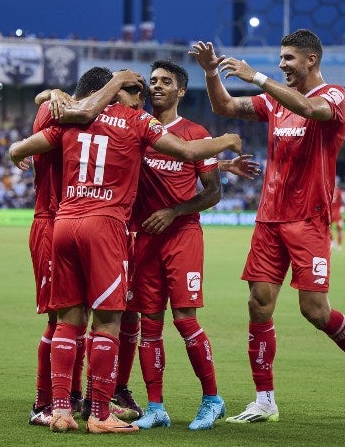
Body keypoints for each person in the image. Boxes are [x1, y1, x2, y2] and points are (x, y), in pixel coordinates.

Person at [9, 80, 242, 434]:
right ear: (118, 91)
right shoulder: (136, 122)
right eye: (138, 92)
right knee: (107, 323)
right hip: (105, 227)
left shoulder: (73, 118)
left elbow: (20, 148)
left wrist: (21, 146)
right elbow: (186, 152)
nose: (143, 99)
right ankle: (100, 413)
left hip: (65, 222)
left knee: (67, 321)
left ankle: (60, 410)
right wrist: (226, 141)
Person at [189, 29, 345, 423]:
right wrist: (212, 73)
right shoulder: (276, 103)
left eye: (288, 59)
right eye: (279, 59)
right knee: (258, 305)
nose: (281, 65)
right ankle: (265, 400)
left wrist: (258, 77)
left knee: (314, 310)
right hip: (269, 219)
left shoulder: (334, 96)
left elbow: (313, 112)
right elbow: (225, 106)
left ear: (311, 60)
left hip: (308, 220)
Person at [126, 60, 251, 431]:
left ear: (181, 90)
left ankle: (212, 399)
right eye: (153, 81)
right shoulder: (137, 128)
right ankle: (155, 407)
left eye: (166, 81)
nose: (157, 86)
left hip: (182, 237)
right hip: (144, 237)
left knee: (184, 320)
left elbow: (213, 193)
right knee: (149, 324)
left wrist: (174, 212)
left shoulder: (196, 132)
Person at [26, 67, 145, 427]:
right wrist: (52, 95)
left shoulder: (72, 111)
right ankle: (47, 403)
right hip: (55, 219)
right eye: (126, 91)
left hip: (69, 220)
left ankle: (73, 399)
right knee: (62, 319)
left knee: (77, 319)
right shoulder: (68, 113)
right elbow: (49, 109)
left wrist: (50, 92)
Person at [330, 180, 345, 251]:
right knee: (328, 229)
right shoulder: (329, 191)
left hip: (335, 213)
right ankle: (333, 242)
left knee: (338, 228)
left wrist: (343, 207)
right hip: (332, 213)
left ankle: (337, 244)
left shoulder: (340, 192)